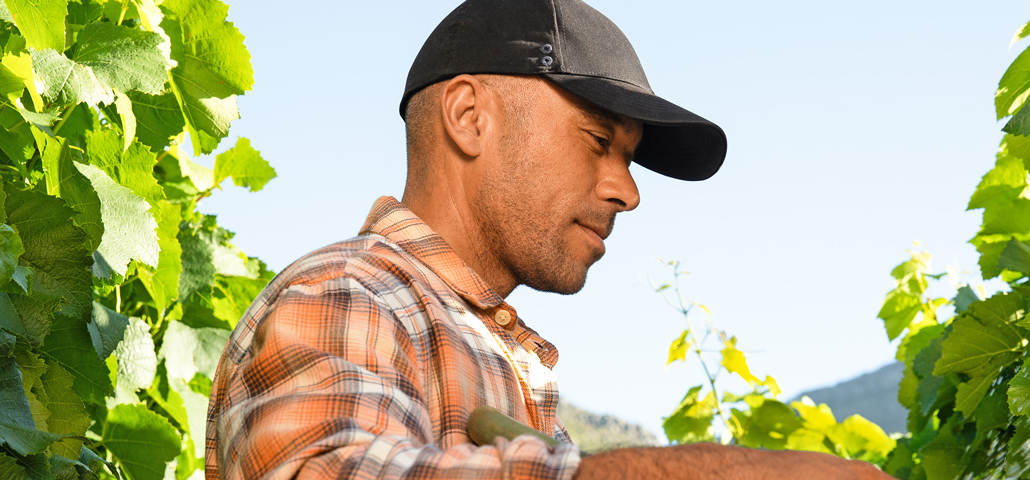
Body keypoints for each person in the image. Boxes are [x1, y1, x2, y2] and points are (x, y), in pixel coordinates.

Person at [203, 0, 891, 478]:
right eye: (599, 141)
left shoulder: (501, 353)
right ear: (470, 117)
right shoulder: (352, 295)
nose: (629, 190)